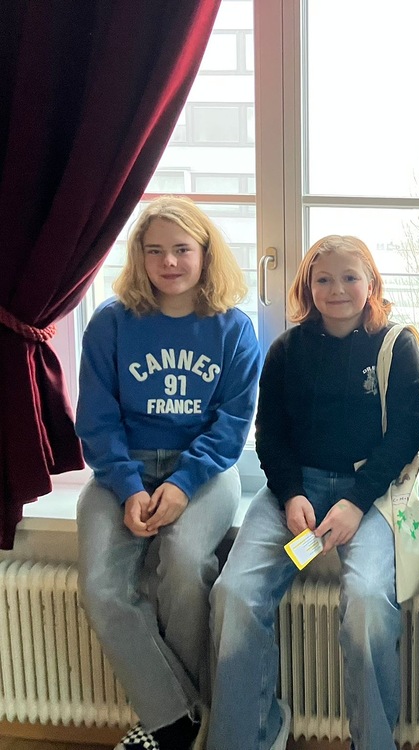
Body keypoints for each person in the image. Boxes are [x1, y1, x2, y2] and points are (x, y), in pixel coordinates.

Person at [208, 235, 419, 750]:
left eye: (350, 277)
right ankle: (249, 737)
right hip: (294, 495)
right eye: (323, 279)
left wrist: (356, 501)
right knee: (233, 595)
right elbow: (270, 435)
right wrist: (290, 494)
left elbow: (406, 435)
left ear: (371, 283)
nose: (337, 289)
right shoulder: (286, 350)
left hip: (369, 497)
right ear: (307, 286)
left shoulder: (396, 346)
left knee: (368, 603)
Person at [75, 196, 262, 750]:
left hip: (205, 469)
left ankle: (169, 724)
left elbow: (233, 425)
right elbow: (97, 419)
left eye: (182, 249)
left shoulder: (234, 328)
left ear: (205, 253)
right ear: (139, 256)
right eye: (154, 250)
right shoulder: (111, 323)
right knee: (101, 586)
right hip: (122, 468)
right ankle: (179, 721)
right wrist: (129, 486)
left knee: (184, 564)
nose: (169, 262)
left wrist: (182, 483)